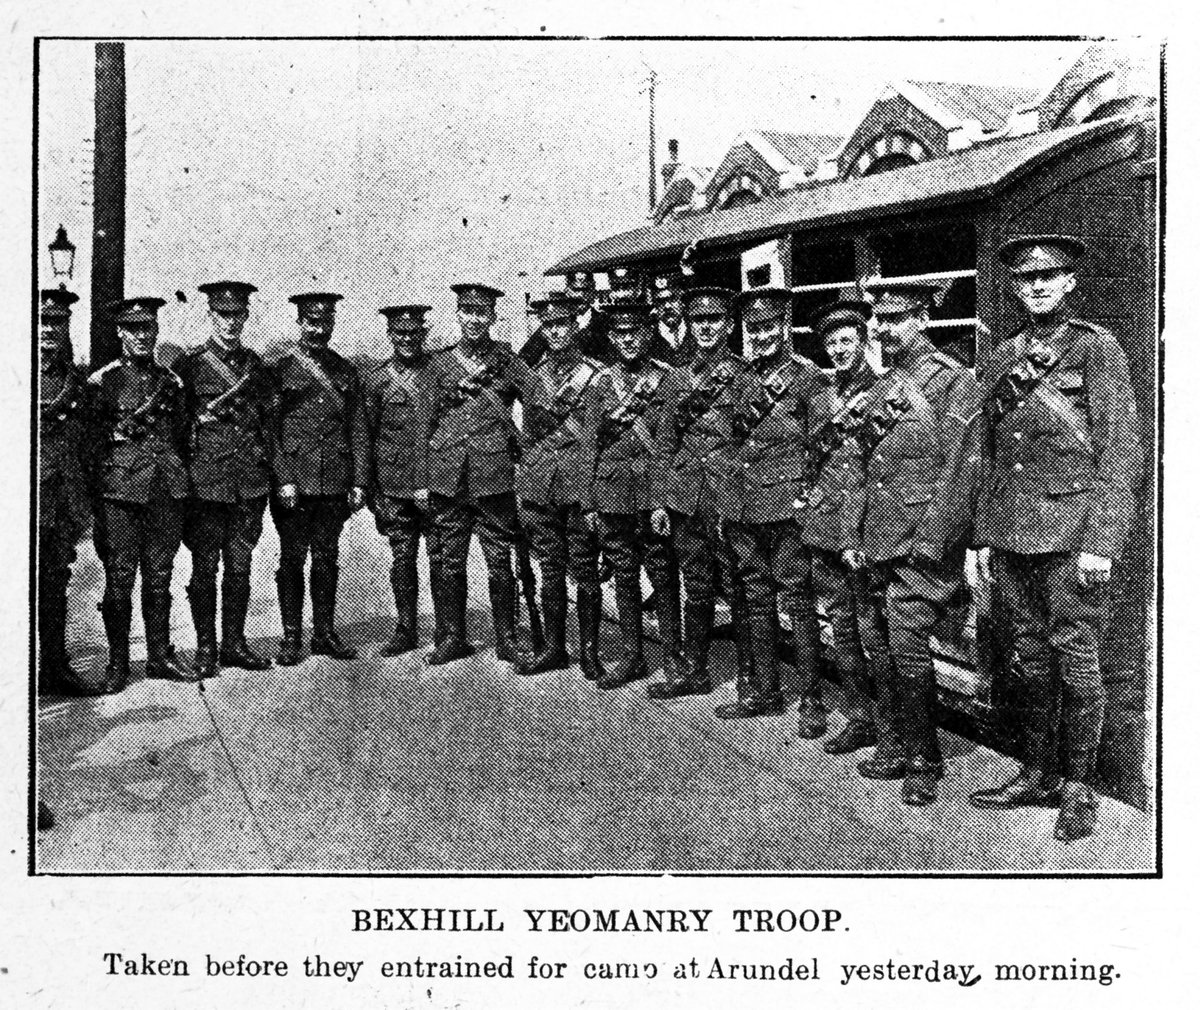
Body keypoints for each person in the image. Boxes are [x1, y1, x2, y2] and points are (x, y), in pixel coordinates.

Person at [969, 235, 1142, 843]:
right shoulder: (1007, 353)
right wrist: (984, 537)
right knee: (1031, 658)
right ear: (1015, 287)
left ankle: (1078, 789)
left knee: (1078, 663)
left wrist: (1101, 542)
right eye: (1026, 279)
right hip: (1014, 531)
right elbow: (992, 452)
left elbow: (1119, 453)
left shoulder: (1098, 350)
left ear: (1069, 284)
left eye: (1050, 278)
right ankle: (1039, 771)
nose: (1037, 287)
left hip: (1071, 534)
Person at [841, 280, 979, 805]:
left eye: (896, 319)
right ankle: (898, 742)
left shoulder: (951, 382)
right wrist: (854, 534)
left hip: (920, 539)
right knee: (881, 645)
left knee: (910, 649)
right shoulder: (879, 386)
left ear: (922, 320)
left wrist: (932, 540)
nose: (884, 330)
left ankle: (925, 759)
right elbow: (861, 469)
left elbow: (960, 469)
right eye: (879, 320)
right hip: (876, 534)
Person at [720, 288, 829, 726]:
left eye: (768, 327)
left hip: (787, 507)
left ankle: (811, 700)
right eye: (754, 328)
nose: (761, 335)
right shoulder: (742, 378)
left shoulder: (806, 377)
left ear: (783, 325)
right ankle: (766, 692)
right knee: (757, 596)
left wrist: (809, 500)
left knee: (798, 600)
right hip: (745, 506)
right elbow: (732, 442)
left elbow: (823, 445)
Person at [85, 296, 195, 691]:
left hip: (165, 489)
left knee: (160, 576)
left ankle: (160, 657)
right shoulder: (103, 382)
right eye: (134, 329)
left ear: (156, 330)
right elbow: (90, 446)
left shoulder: (171, 382)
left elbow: (182, 436)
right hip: (120, 492)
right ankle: (117, 665)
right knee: (119, 577)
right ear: (119, 332)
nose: (142, 336)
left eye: (148, 328)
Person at [425, 282, 536, 666]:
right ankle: (453, 636)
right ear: (458, 315)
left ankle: (507, 638)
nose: (474, 319)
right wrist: (421, 478)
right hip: (447, 476)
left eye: (482, 313)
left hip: (494, 477)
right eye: (467, 312)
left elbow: (537, 405)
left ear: (492, 317)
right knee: (449, 559)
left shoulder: (508, 362)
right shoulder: (437, 365)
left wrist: (532, 458)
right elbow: (420, 424)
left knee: (499, 558)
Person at [648, 285, 749, 699]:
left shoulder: (744, 376)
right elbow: (665, 443)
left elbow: (750, 441)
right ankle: (695, 669)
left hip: (727, 495)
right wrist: (659, 499)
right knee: (697, 581)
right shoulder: (675, 380)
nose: (705, 328)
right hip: (687, 495)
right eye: (698, 321)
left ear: (728, 325)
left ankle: (748, 676)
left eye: (714, 320)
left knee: (738, 581)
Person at [174, 281, 276, 678]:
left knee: (240, 565)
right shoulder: (191, 365)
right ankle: (205, 647)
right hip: (207, 483)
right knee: (204, 566)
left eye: (237, 315)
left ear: (246, 316)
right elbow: (179, 430)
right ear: (210, 316)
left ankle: (234, 644)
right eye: (223, 315)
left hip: (248, 482)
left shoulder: (257, 367)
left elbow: (268, 425)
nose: (230, 323)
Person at [583, 301, 681, 690]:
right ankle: (632, 655)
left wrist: (661, 500)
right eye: (620, 334)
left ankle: (673, 657)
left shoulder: (667, 380)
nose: (628, 340)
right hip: (611, 493)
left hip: (650, 492)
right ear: (610, 337)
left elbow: (669, 443)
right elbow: (589, 445)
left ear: (648, 335)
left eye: (635, 333)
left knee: (662, 572)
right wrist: (588, 501)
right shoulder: (602, 384)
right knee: (623, 573)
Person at [802, 299, 883, 754]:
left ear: (863, 341)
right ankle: (858, 716)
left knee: (875, 628)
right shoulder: (819, 395)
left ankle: (889, 725)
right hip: (825, 521)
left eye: (846, 340)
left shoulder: (884, 392)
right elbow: (813, 459)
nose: (838, 349)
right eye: (830, 342)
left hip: (866, 523)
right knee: (841, 623)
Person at [271, 292, 368, 665]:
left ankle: (324, 633)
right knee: (292, 559)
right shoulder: (281, 371)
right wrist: (283, 478)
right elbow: (271, 431)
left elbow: (357, 428)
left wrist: (359, 480)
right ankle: (292, 637)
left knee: (327, 558)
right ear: (300, 323)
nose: (318, 328)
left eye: (325, 322)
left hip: (333, 483)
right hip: (295, 482)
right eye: (311, 322)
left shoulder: (345, 371)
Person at [516, 291, 607, 678]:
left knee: (584, 568)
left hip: (577, 485)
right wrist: (524, 481)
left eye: (561, 324)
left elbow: (596, 440)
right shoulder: (532, 377)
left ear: (576, 325)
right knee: (551, 569)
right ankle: (554, 648)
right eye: (548, 325)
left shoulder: (596, 374)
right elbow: (526, 434)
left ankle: (589, 652)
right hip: (540, 486)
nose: (554, 332)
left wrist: (589, 498)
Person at [362, 304, 443, 657]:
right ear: (390, 336)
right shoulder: (377, 380)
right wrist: (369, 488)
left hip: (436, 482)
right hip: (393, 485)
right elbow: (366, 434)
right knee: (403, 557)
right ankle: (406, 628)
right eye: (400, 334)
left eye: (414, 334)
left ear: (423, 335)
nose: (407, 339)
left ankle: (446, 629)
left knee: (441, 556)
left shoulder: (439, 373)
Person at [38, 288, 103, 695]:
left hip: (62, 501)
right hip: (20, 503)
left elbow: (89, 443)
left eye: (57, 322)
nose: (48, 330)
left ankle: (55, 667)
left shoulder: (78, 382)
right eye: (43, 321)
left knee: (55, 581)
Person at [518, 272, 612, 366]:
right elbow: (525, 359)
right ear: (567, 291)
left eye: (585, 289)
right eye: (575, 289)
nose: (580, 295)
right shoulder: (552, 324)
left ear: (593, 292)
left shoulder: (606, 322)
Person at [648, 271, 697, 367]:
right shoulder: (648, 338)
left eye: (673, 299)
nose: (667, 306)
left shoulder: (696, 328)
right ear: (655, 305)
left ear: (682, 301)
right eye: (661, 301)